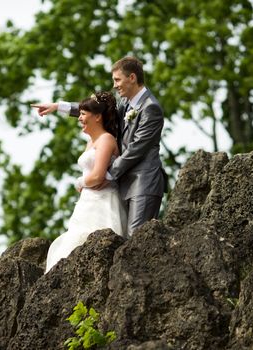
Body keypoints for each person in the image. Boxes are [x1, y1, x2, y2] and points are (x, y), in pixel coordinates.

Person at [32, 56, 167, 237]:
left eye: (117, 80)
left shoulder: (151, 108)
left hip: (143, 184)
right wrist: (59, 106)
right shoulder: (125, 104)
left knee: (137, 240)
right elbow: (98, 111)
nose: (115, 85)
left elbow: (137, 149)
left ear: (132, 78)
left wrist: (107, 174)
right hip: (123, 184)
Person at [44, 91, 124, 273]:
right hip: (87, 202)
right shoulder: (91, 141)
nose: (79, 118)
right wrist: (57, 106)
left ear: (97, 117)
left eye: (83, 114)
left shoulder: (106, 139)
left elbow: (97, 176)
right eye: (79, 113)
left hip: (102, 202)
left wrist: (79, 182)